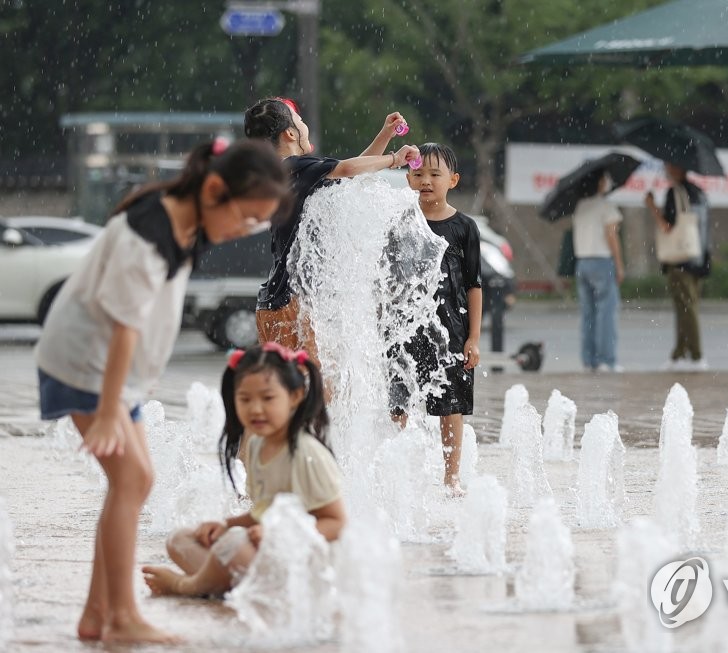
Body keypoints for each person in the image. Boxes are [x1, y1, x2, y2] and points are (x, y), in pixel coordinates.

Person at [33, 139, 290, 643]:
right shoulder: (146, 239)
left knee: (138, 481)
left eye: (258, 222)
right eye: (246, 217)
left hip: (111, 372)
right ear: (215, 189)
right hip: (87, 366)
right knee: (130, 482)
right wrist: (110, 410)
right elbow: (122, 324)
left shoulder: (186, 220)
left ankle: (96, 613)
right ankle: (121, 618)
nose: (246, 231)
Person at [141, 342, 345, 598]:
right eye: (245, 399)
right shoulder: (258, 445)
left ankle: (189, 586)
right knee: (181, 539)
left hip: (301, 567)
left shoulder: (307, 454)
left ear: (294, 396)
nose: (255, 409)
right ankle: (227, 585)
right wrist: (225, 524)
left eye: (268, 398)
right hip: (264, 558)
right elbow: (263, 512)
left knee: (234, 546)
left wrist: (277, 534)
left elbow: (336, 523)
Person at [243, 97, 421, 365]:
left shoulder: (287, 173)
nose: (305, 126)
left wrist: (385, 135)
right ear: (290, 133)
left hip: (277, 302)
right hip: (292, 303)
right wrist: (394, 159)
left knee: (293, 394)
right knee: (315, 392)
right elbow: (348, 168)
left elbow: (352, 172)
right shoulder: (294, 166)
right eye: (300, 121)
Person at [390, 143, 481, 495]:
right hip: (402, 328)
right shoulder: (400, 225)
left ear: (453, 180)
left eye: (434, 174)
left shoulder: (464, 228)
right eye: (417, 174)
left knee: (450, 406)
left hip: (451, 330)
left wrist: (473, 338)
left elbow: (474, 285)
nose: (425, 180)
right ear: (408, 178)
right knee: (398, 404)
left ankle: (451, 476)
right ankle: (398, 476)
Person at [644, 163, 710, 371]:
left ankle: (697, 355)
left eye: (669, 166)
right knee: (687, 307)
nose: (666, 170)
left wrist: (652, 206)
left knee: (686, 309)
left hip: (680, 259)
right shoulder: (699, 193)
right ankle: (679, 353)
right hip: (699, 257)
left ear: (678, 168)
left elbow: (667, 226)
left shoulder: (675, 192)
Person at [572, 170, 625, 372]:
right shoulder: (606, 205)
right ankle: (607, 360)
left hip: (582, 263)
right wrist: (619, 264)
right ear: (601, 182)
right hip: (602, 262)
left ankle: (589, 360)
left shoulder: (581, 205)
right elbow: (612, 237)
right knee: (606, 313)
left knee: (588, 314)